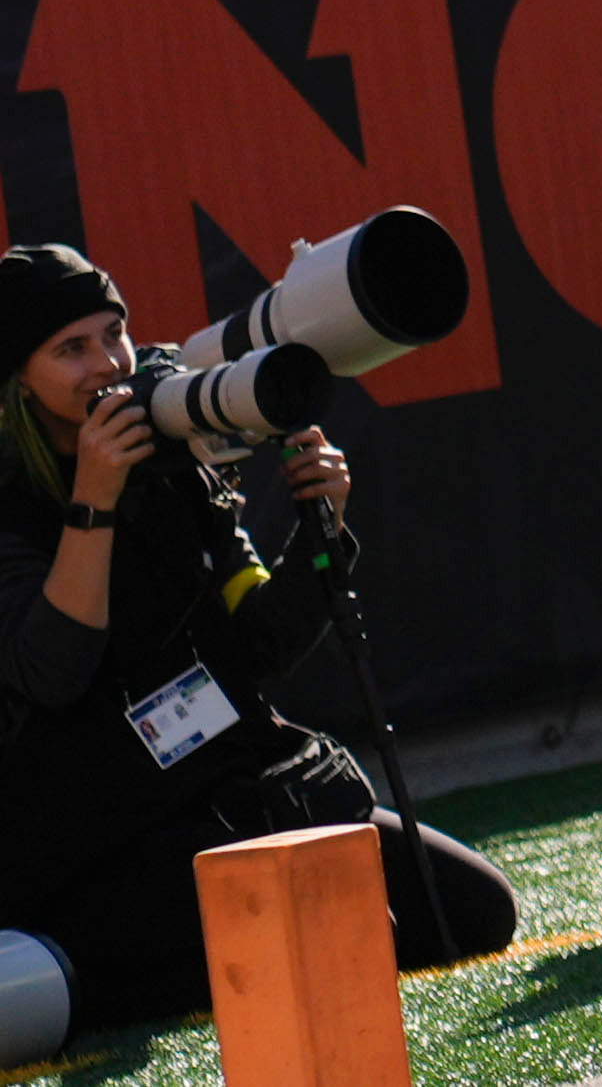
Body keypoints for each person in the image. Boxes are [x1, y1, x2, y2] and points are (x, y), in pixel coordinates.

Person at [0, 246, 520, 1035]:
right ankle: (75, 964)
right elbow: (54, 670)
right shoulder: (12, 501)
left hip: (240, 790)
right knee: (325, 938)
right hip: (107, 836)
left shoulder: (172, 450)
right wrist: (95, 501)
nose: (108, 364)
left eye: (115, 332)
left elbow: (261, 646)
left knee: (473, 911)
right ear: (17, 378)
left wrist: (325, 527)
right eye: (70, 348)